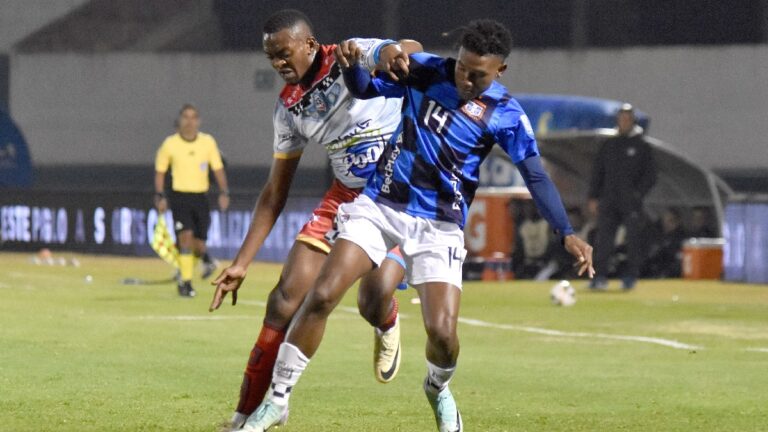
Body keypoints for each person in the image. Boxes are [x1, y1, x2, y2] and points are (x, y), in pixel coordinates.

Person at [239, 19, 594, 432]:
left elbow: (535, 176)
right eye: (462, 66)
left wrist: (566, 231)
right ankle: (277, 400)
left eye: (477, 74)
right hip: (381, 203)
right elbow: (368, 89)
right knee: (321, 294)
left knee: (442, 334)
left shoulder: (507, 114)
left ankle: (437, 388)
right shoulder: (427, 70)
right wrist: (355, 69)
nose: (465, 77)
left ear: (500, 71)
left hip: (440, 224)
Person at [205, 9, 423, 430]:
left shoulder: (349, 55)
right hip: (344, 198)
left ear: (308, 44)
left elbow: (408, 49)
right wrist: (242, 262)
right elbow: (274, 193)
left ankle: (387, 317)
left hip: (399, 193)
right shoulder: (288, 109)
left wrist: (395, 53)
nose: (278, 64)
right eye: (271, 58)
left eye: (284, 54)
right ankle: (248, 414)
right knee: (284, 299)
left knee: (371, 299)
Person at [154, 104, 229, 297]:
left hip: (200, 198)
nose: (189, 121)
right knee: (185, 239)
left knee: (199, 245)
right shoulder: (170, 144)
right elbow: (160, 172)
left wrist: (224, 192)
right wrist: (160, 195)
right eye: (186, 117)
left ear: (198, 121)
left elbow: (218, 168)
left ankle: (201, 260)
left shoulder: (207, 142)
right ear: (180, 120)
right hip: (179, 197)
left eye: (193, 117)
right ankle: (185, 283)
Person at [588, 103, 656, 290]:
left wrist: (637, 194)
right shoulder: (609, 145)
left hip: (630, 202)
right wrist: (593, 196)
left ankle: (630, 276)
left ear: (632, 120)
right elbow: (598, 172)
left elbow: (650, 176)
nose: (624, 122)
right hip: (609, 199)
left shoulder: (642, 146)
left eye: (627, 118)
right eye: (621, 118)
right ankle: (599, 277)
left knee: (633, 239)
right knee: (604, 239)